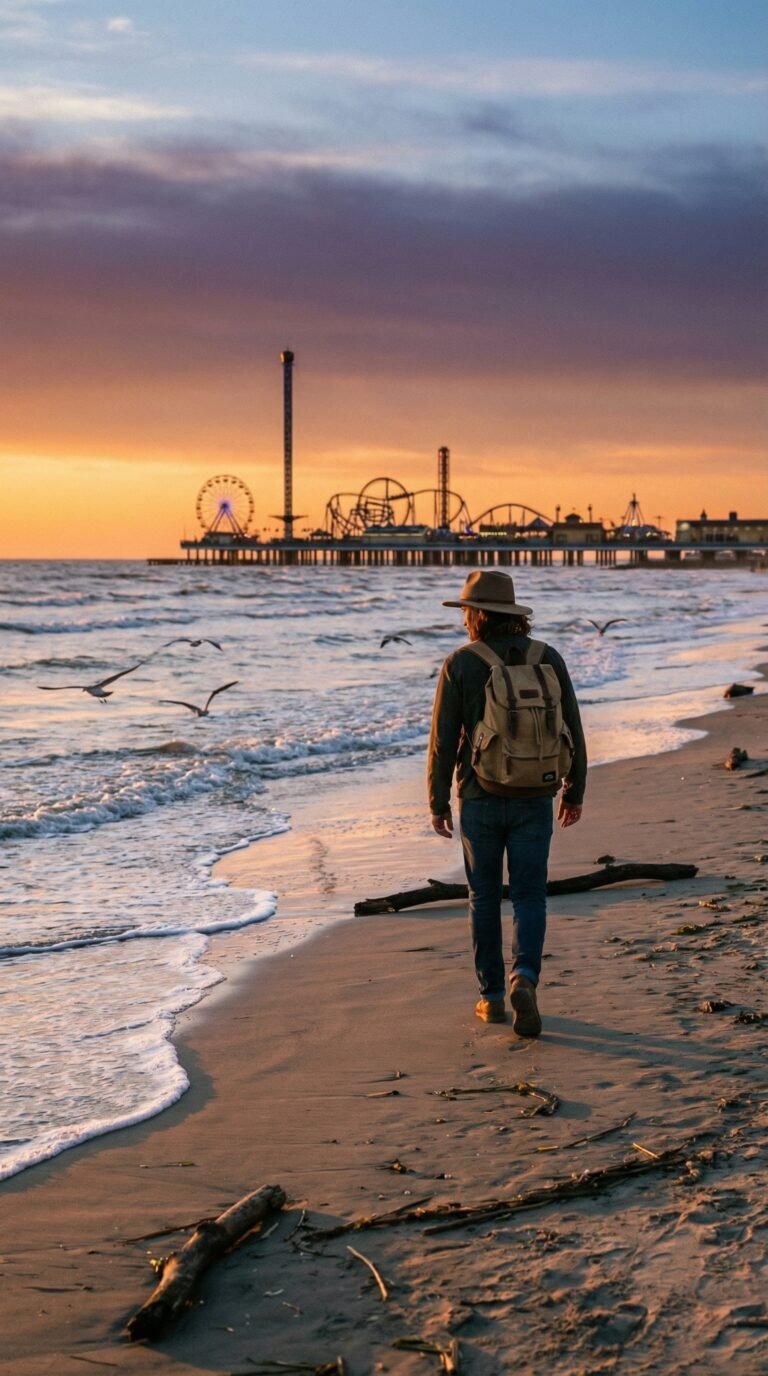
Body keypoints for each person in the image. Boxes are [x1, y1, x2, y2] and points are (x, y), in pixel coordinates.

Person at [428, 569, 586, 1037]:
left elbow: (442, 742)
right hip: (537, 792)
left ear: (478, 615)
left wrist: (437, 802)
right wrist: (574, 790)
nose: (463, 623)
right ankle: (526, 977)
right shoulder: (548, 658)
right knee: (530, 895)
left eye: (466, 613)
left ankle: (492, 998)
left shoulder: (461, 663)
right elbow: (572, 730)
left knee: (483, 898)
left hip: (480, 795)